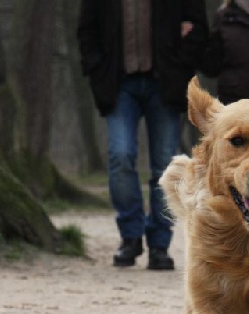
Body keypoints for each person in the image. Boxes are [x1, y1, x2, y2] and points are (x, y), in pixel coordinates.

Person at [77, 1, 208, 270]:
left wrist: (180, 62)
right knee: (120, 155)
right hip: (118, 83)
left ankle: (160, 244)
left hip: (165, 82)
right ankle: (130, 236)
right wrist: (95, 67)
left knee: (165, 164)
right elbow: (86, 29)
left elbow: (197, 26)